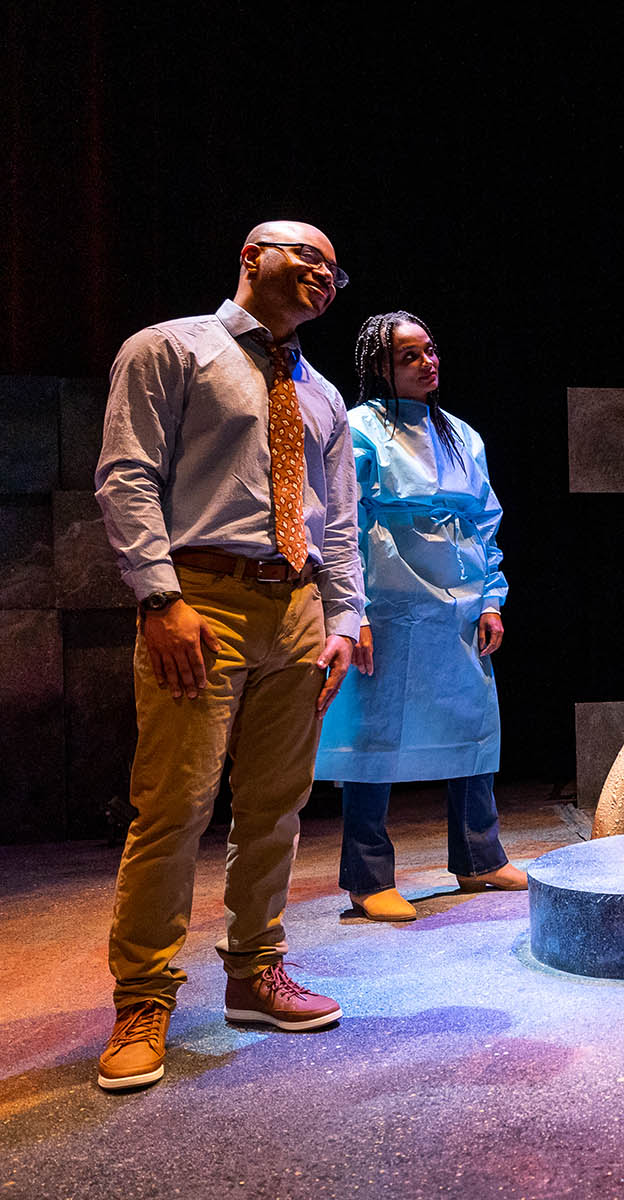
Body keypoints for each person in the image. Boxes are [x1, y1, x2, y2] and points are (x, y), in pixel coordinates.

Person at [93, 221, 366, 1091]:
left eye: (334, 268)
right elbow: (127, 474)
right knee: (173, 807)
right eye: (307, 257)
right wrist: (159, 597)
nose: (324, 275)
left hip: (296, 605)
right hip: (198, 598)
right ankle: (143, 999)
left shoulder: (321, 394)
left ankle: (254, 973)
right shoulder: (170, 349)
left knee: (276, 806)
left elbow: (341, 518)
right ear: (251, 257)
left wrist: (346, 616)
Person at [315, 312, 523, 922]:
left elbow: (485, 521)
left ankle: (480, 854)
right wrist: (354, 615)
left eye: (430, 351)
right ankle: (367, 874)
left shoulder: (461, 433)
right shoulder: (357, 431)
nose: (428, 362)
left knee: (472, 724)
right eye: (410, 356)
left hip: (455, 602)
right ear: (380, 367)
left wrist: (491, 597)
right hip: (390, 601)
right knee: (374, 737)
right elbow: (341, 523)